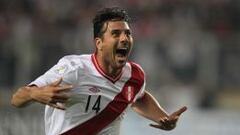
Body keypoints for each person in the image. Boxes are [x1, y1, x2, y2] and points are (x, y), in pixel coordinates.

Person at [11, 7, 187, 135]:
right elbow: (17, 98)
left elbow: (138, 97)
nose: (125, 39)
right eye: (116, 34)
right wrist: (35, 94)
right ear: (99, 43)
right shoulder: (73, 70)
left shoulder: (134, 76)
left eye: (128, 33)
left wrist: (162, 117)